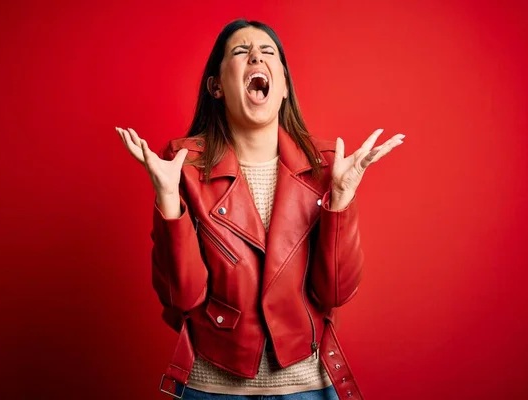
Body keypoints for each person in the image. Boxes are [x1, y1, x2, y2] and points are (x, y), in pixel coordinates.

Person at [116, 19, 404, 400]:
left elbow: (334, 291)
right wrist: (170, 200)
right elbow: (182, 297)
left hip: (306, 387)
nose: (256, 56)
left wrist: (340, 200)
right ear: (216, 87)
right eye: (240, 51)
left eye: (268, 52)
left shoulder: (326, 167)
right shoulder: (183, 165)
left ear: (282, 86)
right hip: (213, 387)